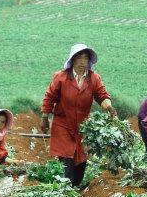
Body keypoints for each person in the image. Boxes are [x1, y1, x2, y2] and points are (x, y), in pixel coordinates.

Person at [42, 43, 115, 187]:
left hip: (83, 126)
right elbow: (50, 97)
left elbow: (101, 95)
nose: (82, 62)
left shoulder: (94, 78)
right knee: (67, 160)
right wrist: (44, 118)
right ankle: (64, 190)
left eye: (86, 59)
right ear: (73, 60)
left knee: (81, 162)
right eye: (79, 58)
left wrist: (109, 107)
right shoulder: (61, 78)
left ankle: (74, 188)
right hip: (63, 124)